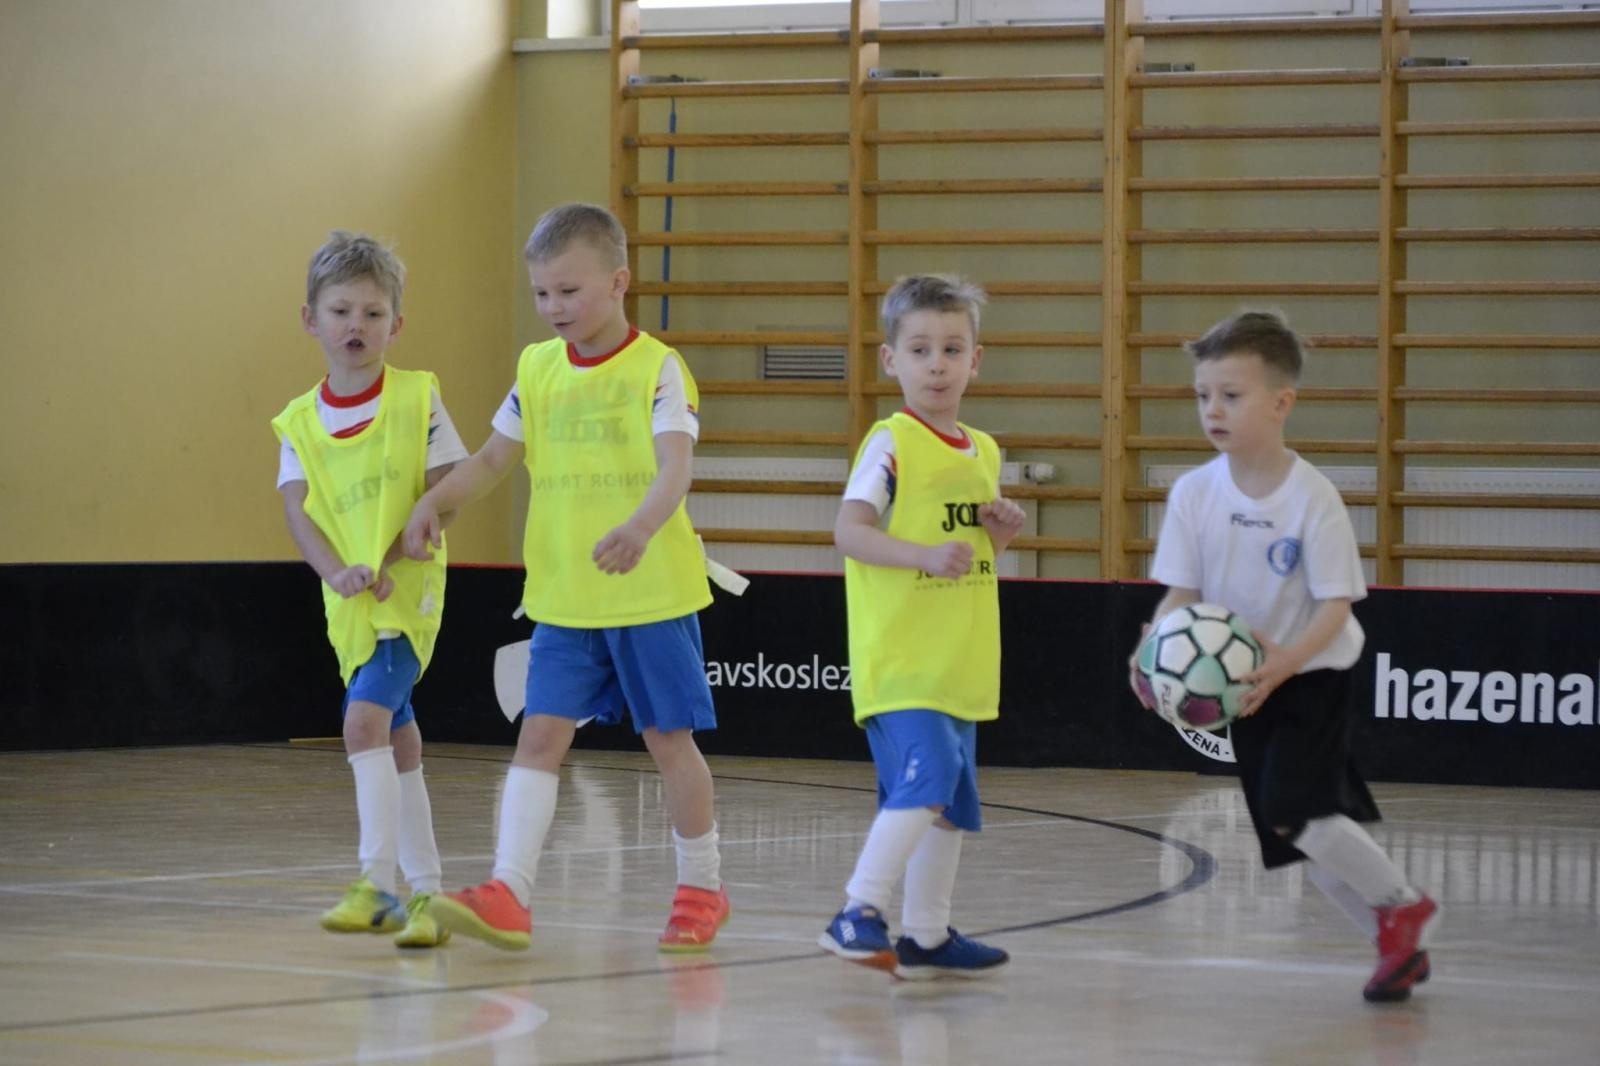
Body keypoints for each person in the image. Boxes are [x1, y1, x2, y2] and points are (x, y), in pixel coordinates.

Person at [402, 203, 728, 953]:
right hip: (564, 598)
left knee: (669, 743)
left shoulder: (658, 368)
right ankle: (509, 891)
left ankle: (702, 885)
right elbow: (490, 459)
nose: (553, 308)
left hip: (650, 594)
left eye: (568, 291)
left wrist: (642, 527)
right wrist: (435, 503)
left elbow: (676, 463)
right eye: (542, 293)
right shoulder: (537, 369)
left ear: (618, 283)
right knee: (538, 737)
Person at [1128, 310, 1439, 1002]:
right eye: (1203, 395)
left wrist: (1286, 663)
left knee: (1296, 812)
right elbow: (1181, 592)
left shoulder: (1312, 497)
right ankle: (1397, 948)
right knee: (1290, 827)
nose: (1213, 409)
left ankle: (1403, 902)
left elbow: (1337, 605)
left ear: (1281, 403)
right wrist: (1152, 649)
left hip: (1312, 672)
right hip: (1247, 684)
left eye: (1230, 396)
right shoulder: (1193, 493)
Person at [818, 275, 1026, 979]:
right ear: (891, 361)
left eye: (952, 348)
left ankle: (928, 934)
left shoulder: (985, 451)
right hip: (903, 660)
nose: (937, 363)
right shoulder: (891, 442)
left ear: (976, 360)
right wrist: (923, 557)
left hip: (961, 663)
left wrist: (1000, 534)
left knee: (948, 807)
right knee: (929, 779)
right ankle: (858, 909)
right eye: (920, 349)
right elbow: (849, 532)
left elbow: (969, 554)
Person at [272, 231, 466, 948]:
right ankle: (430, 897)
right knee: (401, 744)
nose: (357, 325)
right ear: (311, 319)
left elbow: (451, 486)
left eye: (373, 313)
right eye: (342, 310)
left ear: (396, 324)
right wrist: (335, 572)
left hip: (406, 593)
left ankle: (376, 884)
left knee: (363, 725)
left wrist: (398, 544)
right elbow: (298, 510)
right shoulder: (298, 422)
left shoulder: (420, 398)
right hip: (348, 601)